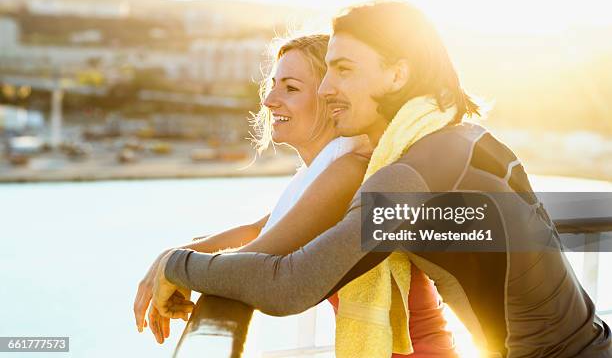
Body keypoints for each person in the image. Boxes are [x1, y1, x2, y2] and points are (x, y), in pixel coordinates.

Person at [154, 1, 612, 357]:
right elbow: (273, 232)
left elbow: (288, 286)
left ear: (397, 74)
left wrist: (177, 264)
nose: (328, 87)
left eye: (345, 69)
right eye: (328, 68)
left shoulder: (415, 172)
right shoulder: (451, 140)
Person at [136, 33, 458, 357]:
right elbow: (259, 230)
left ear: (332, 99)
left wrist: (175, 266)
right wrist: (169, 256)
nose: (269, 100)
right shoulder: (325, 170)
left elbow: (257, 255)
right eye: (273, 84)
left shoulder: (350, 171)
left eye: (290, 88)